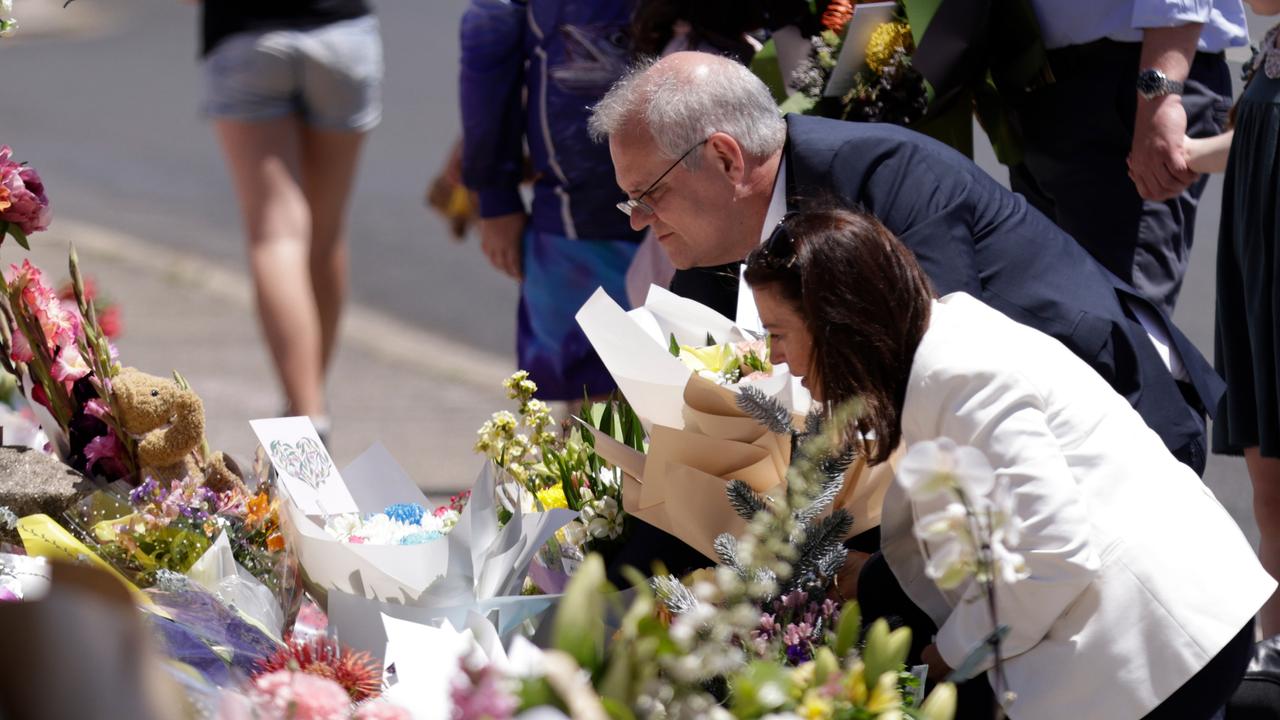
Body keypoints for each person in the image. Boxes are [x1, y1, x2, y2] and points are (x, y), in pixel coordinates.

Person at [745, 206, 1274, 720]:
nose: (772, 358)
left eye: (779, 333)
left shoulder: (958, 375)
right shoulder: (942, 346)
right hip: (1162, 633)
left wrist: (950, 655)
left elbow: (1050, 552)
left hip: (1160, 647)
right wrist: (881, 581)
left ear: (837, 324)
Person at [587, 51, 1222, 476]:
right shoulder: (708, 242)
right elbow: (688, 393)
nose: (638, 221)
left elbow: (936, 371)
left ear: (726, 160)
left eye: (651, 195)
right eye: (628, 201)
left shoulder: (887, 179)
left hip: (1118, 431)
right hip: (985, 464)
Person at [200, 1, 383, 437]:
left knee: (276, 236)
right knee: (325, 232)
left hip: (247, 37)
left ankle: (305, 417)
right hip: (343, 36)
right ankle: (309, 403)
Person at [1007, 0, 1247, 316]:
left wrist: (1158, 98)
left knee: (1121, 323)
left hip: (1135, 76)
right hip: (1040, 74)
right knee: (1047, 320)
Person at [459, 0, 642, 402]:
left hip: (697, 205)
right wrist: (494, 195)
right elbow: (488, 42)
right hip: (578, 221)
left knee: (699, 391)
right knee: (598, 407)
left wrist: (495, 195)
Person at [1183, 0, 1280, 638]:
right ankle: (1273, 656)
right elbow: (1251, 139)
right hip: (1256, 264)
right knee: (1269, 488)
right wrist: (1180, 156)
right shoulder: (1270, 50)